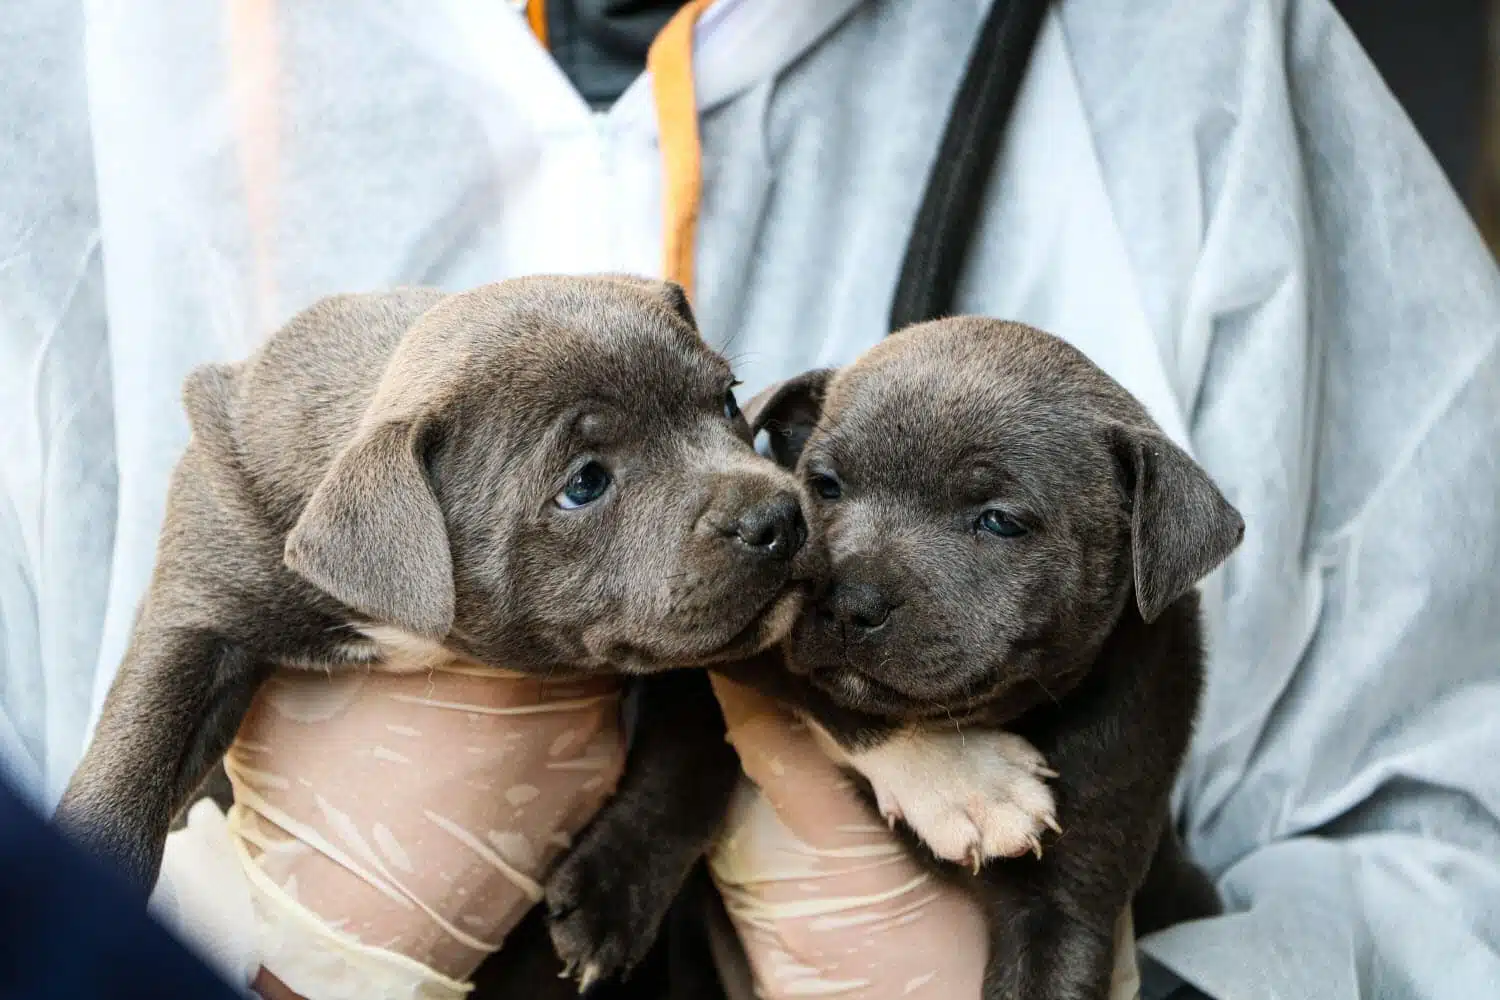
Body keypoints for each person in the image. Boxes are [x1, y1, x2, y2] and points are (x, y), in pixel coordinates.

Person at [3, 1, 1499, 998]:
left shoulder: (1186, 52)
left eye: (731, 408)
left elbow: (1459, 850)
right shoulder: (84, 53)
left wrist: (1092, 975)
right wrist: (250, 945)